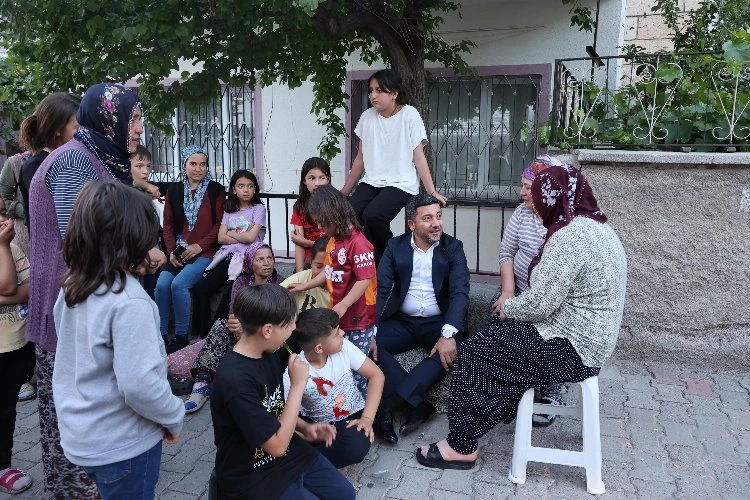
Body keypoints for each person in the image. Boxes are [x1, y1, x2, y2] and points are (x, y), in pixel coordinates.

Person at [415, 164, 627, 470]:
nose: (537, 209)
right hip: (589, 342)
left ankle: (461, 446)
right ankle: (502, 408)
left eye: (540, 201)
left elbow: (540, 304)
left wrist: (509, 307)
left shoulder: (570, 237)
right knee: (497, 337)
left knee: (475, 350)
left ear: (554, 200)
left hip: (573, 349)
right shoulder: (598, 227)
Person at [27, 82, 164, 498]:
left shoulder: (99, 156)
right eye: (133, 118)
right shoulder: (75, 161)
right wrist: (139, 255)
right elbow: (83, 244)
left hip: (90, 309)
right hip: (74, 315)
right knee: (77, 445)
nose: (138, 128)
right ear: (108, 118)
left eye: (139, 118)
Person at [52, 182, 184, 499]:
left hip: (84, 436)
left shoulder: (74, 284)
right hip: (124, 444)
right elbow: (140, 385)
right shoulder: (130, 302)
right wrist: (173, 415)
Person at [211, 284, 356, 500]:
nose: (293, 329)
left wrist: (305, 427)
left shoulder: (267, 353)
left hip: (290, 453)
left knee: (345, 494)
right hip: (252, 474)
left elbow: (273, 408)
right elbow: (277, 446)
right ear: (268, 330)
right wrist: (298, 385)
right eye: (289, 324)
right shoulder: (235, 380)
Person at [372, 193, 470, 444]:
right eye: (427, 219)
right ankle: (420, 404)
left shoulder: (453, 247)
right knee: (366, 344)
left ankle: (390, 405)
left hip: (438, 323)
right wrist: (370, 329)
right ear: (411, 224)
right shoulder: (395, 246)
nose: (436, 223)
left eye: (438, 216)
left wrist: (448, 333)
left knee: (453, 348)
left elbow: (460, 293)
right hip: (403, 321)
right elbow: (381, 290)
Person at [341, 69, 447, 263]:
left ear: (394, 93)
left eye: (379, 90)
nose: (373, 95)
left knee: (373, 216)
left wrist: (432, 192)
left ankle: (389, 261)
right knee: (351, 213)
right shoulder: (367, 117)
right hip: (372, 181)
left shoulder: (409, 115)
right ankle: (366, 262)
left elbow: (419, 157)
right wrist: (344, 192)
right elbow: (360, 159)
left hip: (401, 183)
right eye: (371, 90)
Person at [490, 155, 566, 427]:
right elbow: (506, 252)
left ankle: (552, 391)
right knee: (496, 318)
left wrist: (533, 302)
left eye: (527, 187)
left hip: (550, 299)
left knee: (547, 335)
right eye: (521, 185)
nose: (521, 192)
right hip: (519, 289)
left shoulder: (564, 220)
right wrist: (508, 292)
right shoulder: (522, 213)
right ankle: (507, 386)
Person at [180, 242, 283, 414]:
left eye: (269, 258)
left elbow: (278, 319)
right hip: (240, 333)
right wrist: (237, 327)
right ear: (250, 262)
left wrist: (249, 330)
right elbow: (233, 314)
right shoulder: (241, 283)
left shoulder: (280, 283)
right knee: (221, 325)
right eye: (260, 259)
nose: (266, 263)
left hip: (266, 336)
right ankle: (202, 384)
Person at [283, 308, 384, 469]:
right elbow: (285, 412)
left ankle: (308, 465)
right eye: (336, 334)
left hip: (352, 417)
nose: (343, 333)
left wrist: (367, 419)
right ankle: (313, 464)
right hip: (317, 425)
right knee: (293, 440)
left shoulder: (344, 348)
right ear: (319, 348)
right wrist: (307, 429)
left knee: (356, 446)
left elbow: (376, 376)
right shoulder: (296, 369)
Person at [286, 185, 377, 359]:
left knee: (356, 366)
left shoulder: (359, 243)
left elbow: (364, 279)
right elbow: (329, 271)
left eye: (322, 221)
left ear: (333, 214)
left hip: (359, 319)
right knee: (338, 363)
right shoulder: (333, 241)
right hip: (339, 316)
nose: (320, 227)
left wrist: (343, 305)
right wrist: (305, 286)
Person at [156, 145, 225, 353]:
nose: (198, 169)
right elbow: (168, 225)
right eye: (193, 164)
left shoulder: (215, 190)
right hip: (179, 252)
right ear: (184, 165)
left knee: (179, 285)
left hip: (206, 252)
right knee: (162, 285)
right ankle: (160, 336)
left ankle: (180, 337)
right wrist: (171, 251)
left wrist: (199, 246)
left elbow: (219, 225)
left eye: (203, 164)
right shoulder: (175, 190)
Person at [192, 169, 265, 339]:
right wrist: (242, 235)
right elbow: (220, 238)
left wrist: (231, 234)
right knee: (201, 288)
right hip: (227, 257)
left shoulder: (258, 209)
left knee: (229, 293)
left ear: (255, 189)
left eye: (250, 186)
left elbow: (251, 238)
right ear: (234, 189)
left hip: (247, 260)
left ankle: (216, 336)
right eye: (241, 186)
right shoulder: (229, 210)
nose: (246, 190)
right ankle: (202, 336)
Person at [0, 205, 33, 495]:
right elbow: (10, 286)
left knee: (7, 409)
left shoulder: (13, 249)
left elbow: (28, 290)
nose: (2, 220)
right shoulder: (5, 247)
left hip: (13, 344)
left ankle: (3, 465)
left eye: (2, 213)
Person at [17, 92, 81, 229]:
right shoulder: (35, 166)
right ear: (57, 129)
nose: (84, 133)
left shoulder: (75, 159)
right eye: (78, 128)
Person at [290, 157, 330, 272]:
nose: (317, 183)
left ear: (328, 180)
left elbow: (332, 243)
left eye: (322, 178)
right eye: (311, 178)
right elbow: (298, 243)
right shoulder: (300, 207)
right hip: (308, 263)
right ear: (304, 181)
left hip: (330, 262)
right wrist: (299, 273)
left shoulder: (334, 205)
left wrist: (305, 242)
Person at [281, 236, 330, 313]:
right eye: (319, 266)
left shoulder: (344, 286)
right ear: (311, 262)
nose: (324, 273)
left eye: (330, 267)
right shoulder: (301, 278)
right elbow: (273, 297)